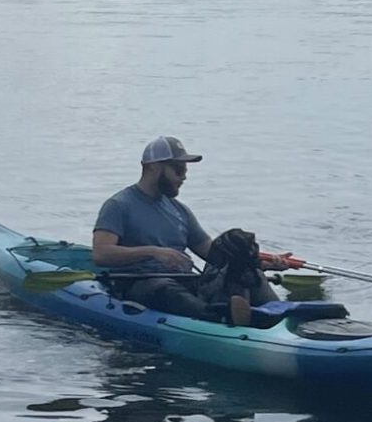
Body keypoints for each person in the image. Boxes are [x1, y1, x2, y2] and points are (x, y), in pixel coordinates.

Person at [92, 135, 286, 323]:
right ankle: (220, 317)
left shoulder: (179, 210)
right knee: (165, 288)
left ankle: (280, 317)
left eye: (185, 169)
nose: (184, 176)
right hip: (140, 283)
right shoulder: (119, 205)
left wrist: (254, 262)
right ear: (153, 167)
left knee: (238, 250)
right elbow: (101, 254)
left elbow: (215, 255)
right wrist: (153, 252)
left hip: (185, 281)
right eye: (178, 169)